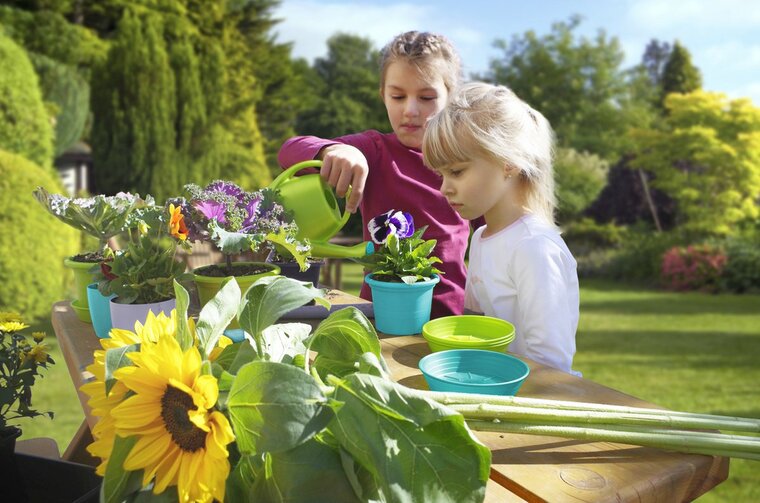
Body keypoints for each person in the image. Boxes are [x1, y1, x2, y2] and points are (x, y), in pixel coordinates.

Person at [278, 31, 472, 318]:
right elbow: (288, 150)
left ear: (451, 98)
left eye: (427, 97)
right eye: (397, 96)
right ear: (383, 96)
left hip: (449, 319)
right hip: (379, 316)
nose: (410, 110)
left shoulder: (470, 161)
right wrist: (333, 151)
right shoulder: (374, 149)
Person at [422, 82, 580, 375]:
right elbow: (473, 322)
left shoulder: (534, 247)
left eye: (456, 172)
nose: (445, 188)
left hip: (533, 400)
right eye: (441, 174)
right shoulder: (481, 237)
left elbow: (551, 364)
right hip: (491, 388)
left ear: (508, 163)